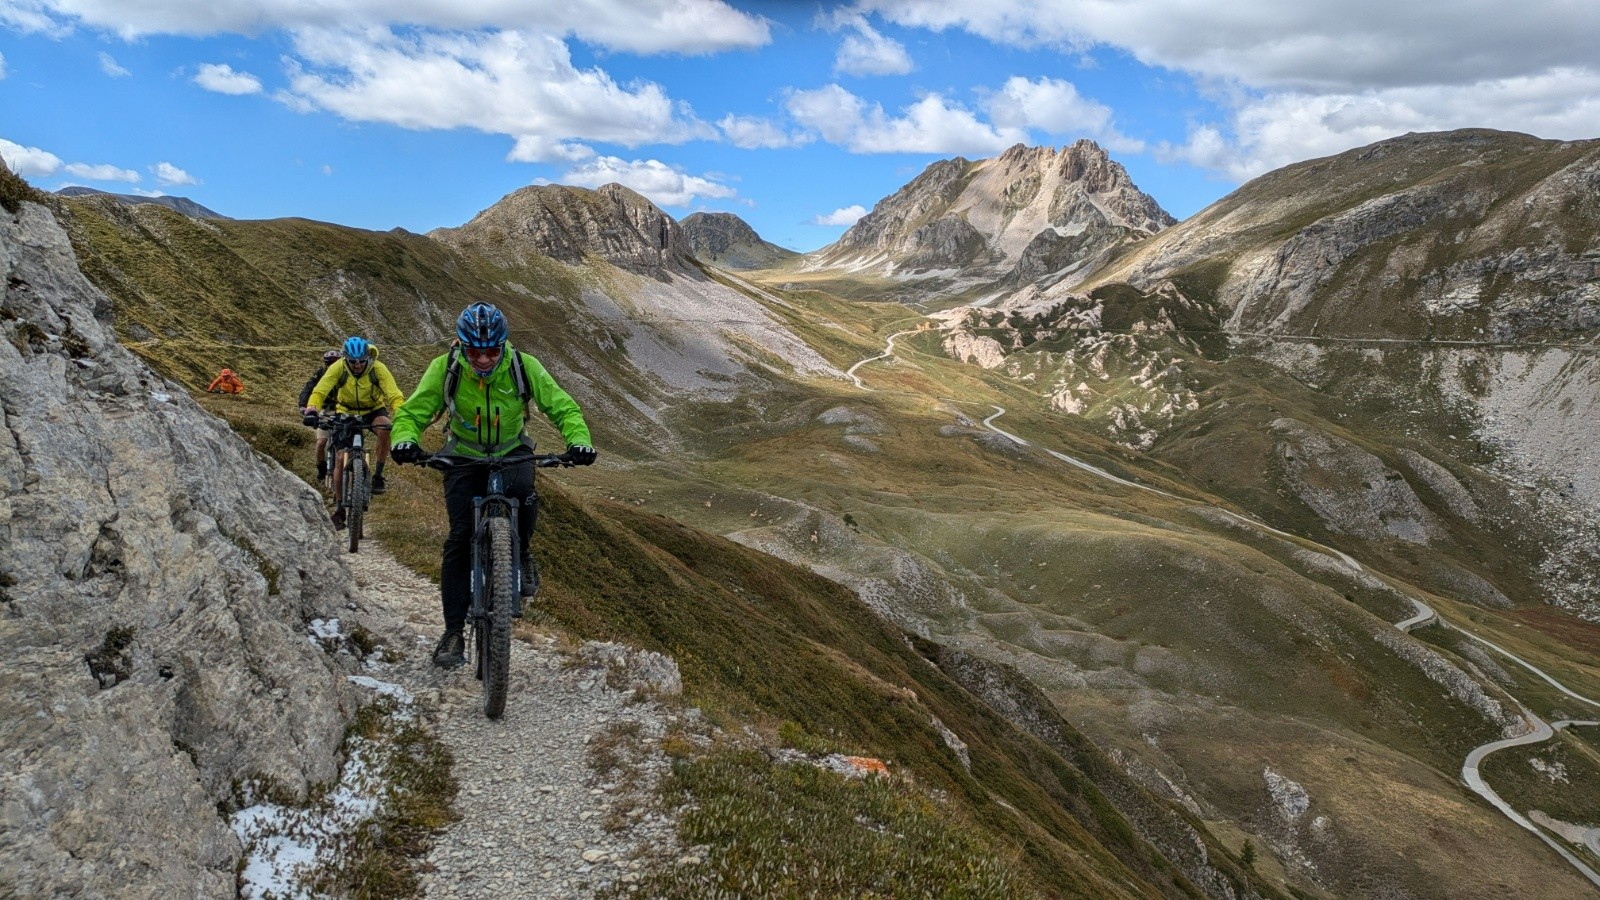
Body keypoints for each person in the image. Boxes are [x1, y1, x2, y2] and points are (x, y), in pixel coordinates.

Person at [389, 302, 596, 669]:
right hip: (464, 455)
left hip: (512, 449)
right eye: (474, 352)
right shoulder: (446, 368)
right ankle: (453, 632)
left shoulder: (523, 366)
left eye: (491, 351)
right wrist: (404, 439)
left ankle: (524, 553)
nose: (483, 359)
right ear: (462, 346)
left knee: (526, 497)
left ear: (503, 347)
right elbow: (413, 411)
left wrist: (578, 441)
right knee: (458, 538)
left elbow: (562, 406)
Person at [302, 336, 405, 528]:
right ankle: (340, 508)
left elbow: (394, 394)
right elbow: (320, 391)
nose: (357, 365)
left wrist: (401, 413)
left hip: (373, 409)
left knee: (385, 429)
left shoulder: (378, 369)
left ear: (368, 358)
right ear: (345, 359)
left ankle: (378, 476)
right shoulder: (338, 368)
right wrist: (312, 409)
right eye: (353, 361)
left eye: (361, 361)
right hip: (346, 411)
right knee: (341, 458)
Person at [298, 349, 341, 482]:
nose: (331, 366)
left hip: (342, 411)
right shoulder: (320, 374)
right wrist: (303, 406)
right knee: (321, 443)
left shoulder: (345, 375)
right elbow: (308, 389)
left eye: (335, 362)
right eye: (329, 363)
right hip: (325, 411)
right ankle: (321, 469)